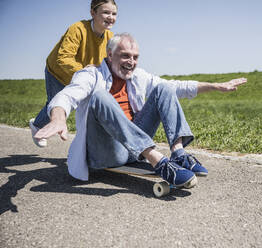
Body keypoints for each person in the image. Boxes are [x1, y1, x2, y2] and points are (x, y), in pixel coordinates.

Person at [34, 33, 247, 187]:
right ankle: (158, 161)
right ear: (109, 55)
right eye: (125, 56)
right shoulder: (91, 75)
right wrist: (58, 117)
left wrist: (215, 86)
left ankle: (178, 154)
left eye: (135, 57)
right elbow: (66, 96)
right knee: (100, 96)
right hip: (105, 152)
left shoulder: (137, 76)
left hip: (132, 148)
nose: (131, 62)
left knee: (164, 88)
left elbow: (176, 87)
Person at [29, 0, 118, 148]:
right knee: (55, 103)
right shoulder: (78, 29)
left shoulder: (110, 37)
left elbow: (109, 61)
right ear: (93, 13)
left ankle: (93, 146)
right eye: (106, 12)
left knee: (87, 107)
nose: (110, 17)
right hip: (58, 71)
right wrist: (84, 71)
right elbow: (63, 58)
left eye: (114, 13)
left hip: (83, 76)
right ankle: (37, 125)